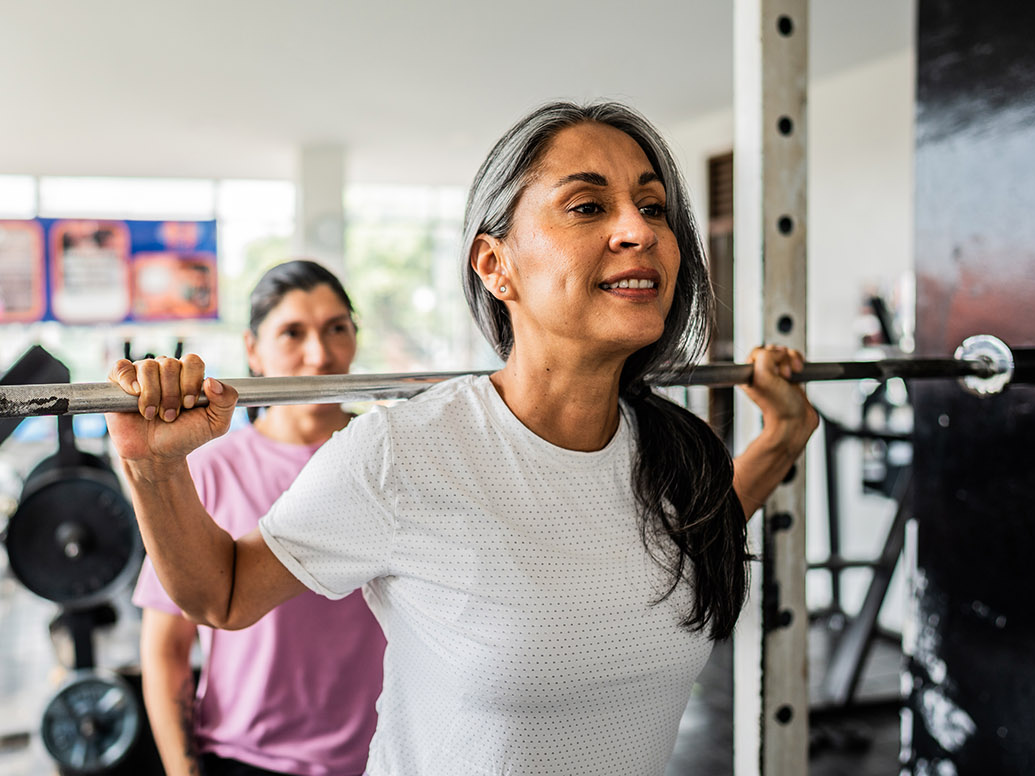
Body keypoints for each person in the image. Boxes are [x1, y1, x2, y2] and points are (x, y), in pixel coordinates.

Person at [107, 101, 818, 776]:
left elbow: (695, 535)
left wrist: (784, 433)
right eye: (588, 205)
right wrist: (153, 471)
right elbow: (222, 596)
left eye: (654, 206)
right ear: (494, 264)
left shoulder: (678, 457)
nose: (640, 231)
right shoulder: (401, 453)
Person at [133, 260, 386, 776]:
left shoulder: (388, 461)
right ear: (253, 349)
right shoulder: (206, 469)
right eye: (293, 333)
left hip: (384, 756)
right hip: (245, 759)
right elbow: (166, 649)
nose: (320, 354)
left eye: (338, 329)